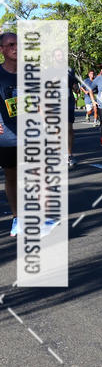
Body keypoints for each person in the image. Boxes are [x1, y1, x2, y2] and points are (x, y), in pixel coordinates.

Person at [0, 32, 18, 235]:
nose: (16, 48)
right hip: (7, 137)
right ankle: (17, 218)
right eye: (11, 44)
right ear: (2, 50)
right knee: (12, 177)